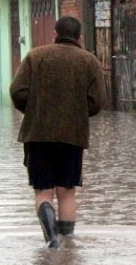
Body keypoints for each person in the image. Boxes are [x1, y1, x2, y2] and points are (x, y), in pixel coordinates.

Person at [10, 16, 107, 248]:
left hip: (37, 134)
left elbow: (17, 91)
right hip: (72, 136)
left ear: (55, 34)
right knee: (67, 191)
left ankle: (50, 237)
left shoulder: (35, 56)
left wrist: (32, 110)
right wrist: (79, 114)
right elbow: (98, 101)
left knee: (43, 191)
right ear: (79, 37)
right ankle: (67, 244)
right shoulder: (89, 61)